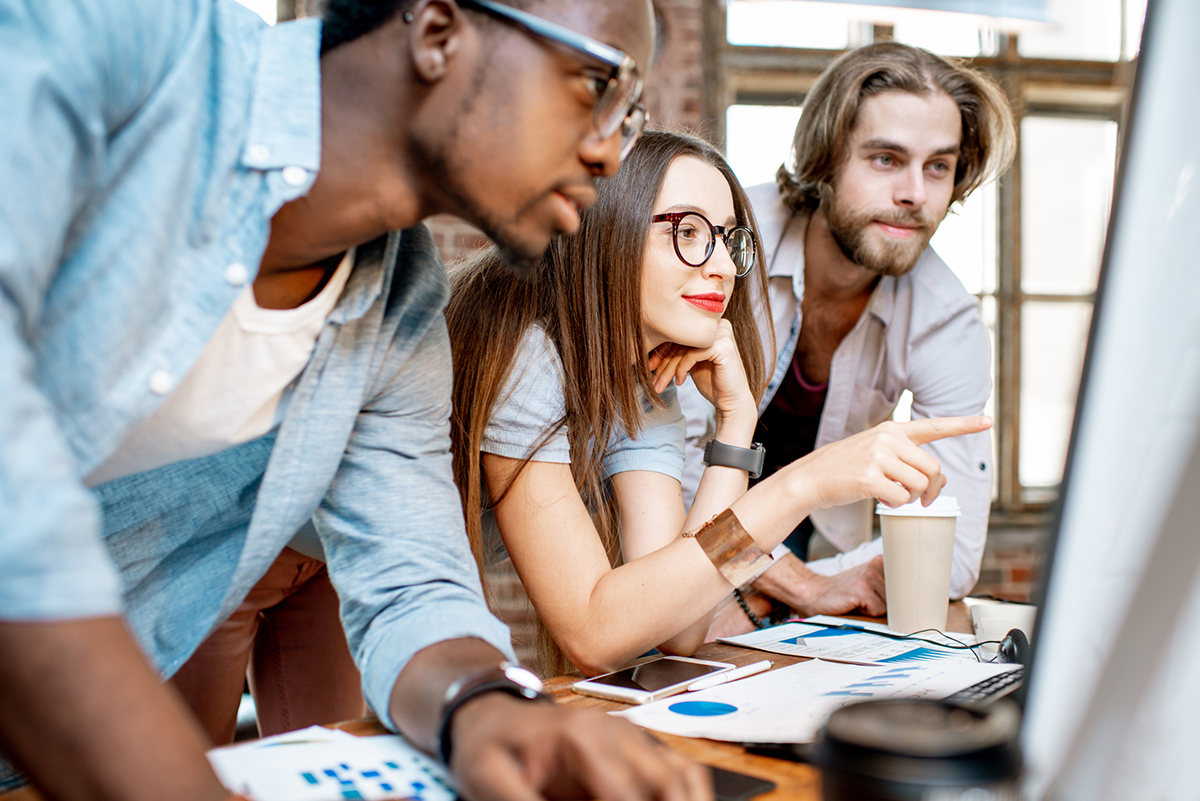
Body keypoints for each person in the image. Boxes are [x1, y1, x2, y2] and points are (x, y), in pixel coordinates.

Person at [0, 1, 716, 799]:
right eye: (598, 85)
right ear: (440, 30)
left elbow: (412, 585)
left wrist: (484, 706)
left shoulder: (400, 310)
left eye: (634, 113)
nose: (614, 154)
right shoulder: (117, 45)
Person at [446, 129, 992, 677]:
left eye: (729, 240)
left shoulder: (648, 386)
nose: (725, 268)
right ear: (608, 233)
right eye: (687, 231)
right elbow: (593, 633)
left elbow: (680, 630)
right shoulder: (527, 351)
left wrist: (736, 425)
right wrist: (803, 484)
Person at [678, 42, 1016, 620]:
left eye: (939, 165)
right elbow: (668, 479)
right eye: (885, 158)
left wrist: (801, 584)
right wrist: (794, 584)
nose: (914, 193)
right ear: (826, 160)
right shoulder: (725, 248)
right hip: (669, 541)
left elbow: (952, 554)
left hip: (818, 554)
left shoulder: (946, 319)